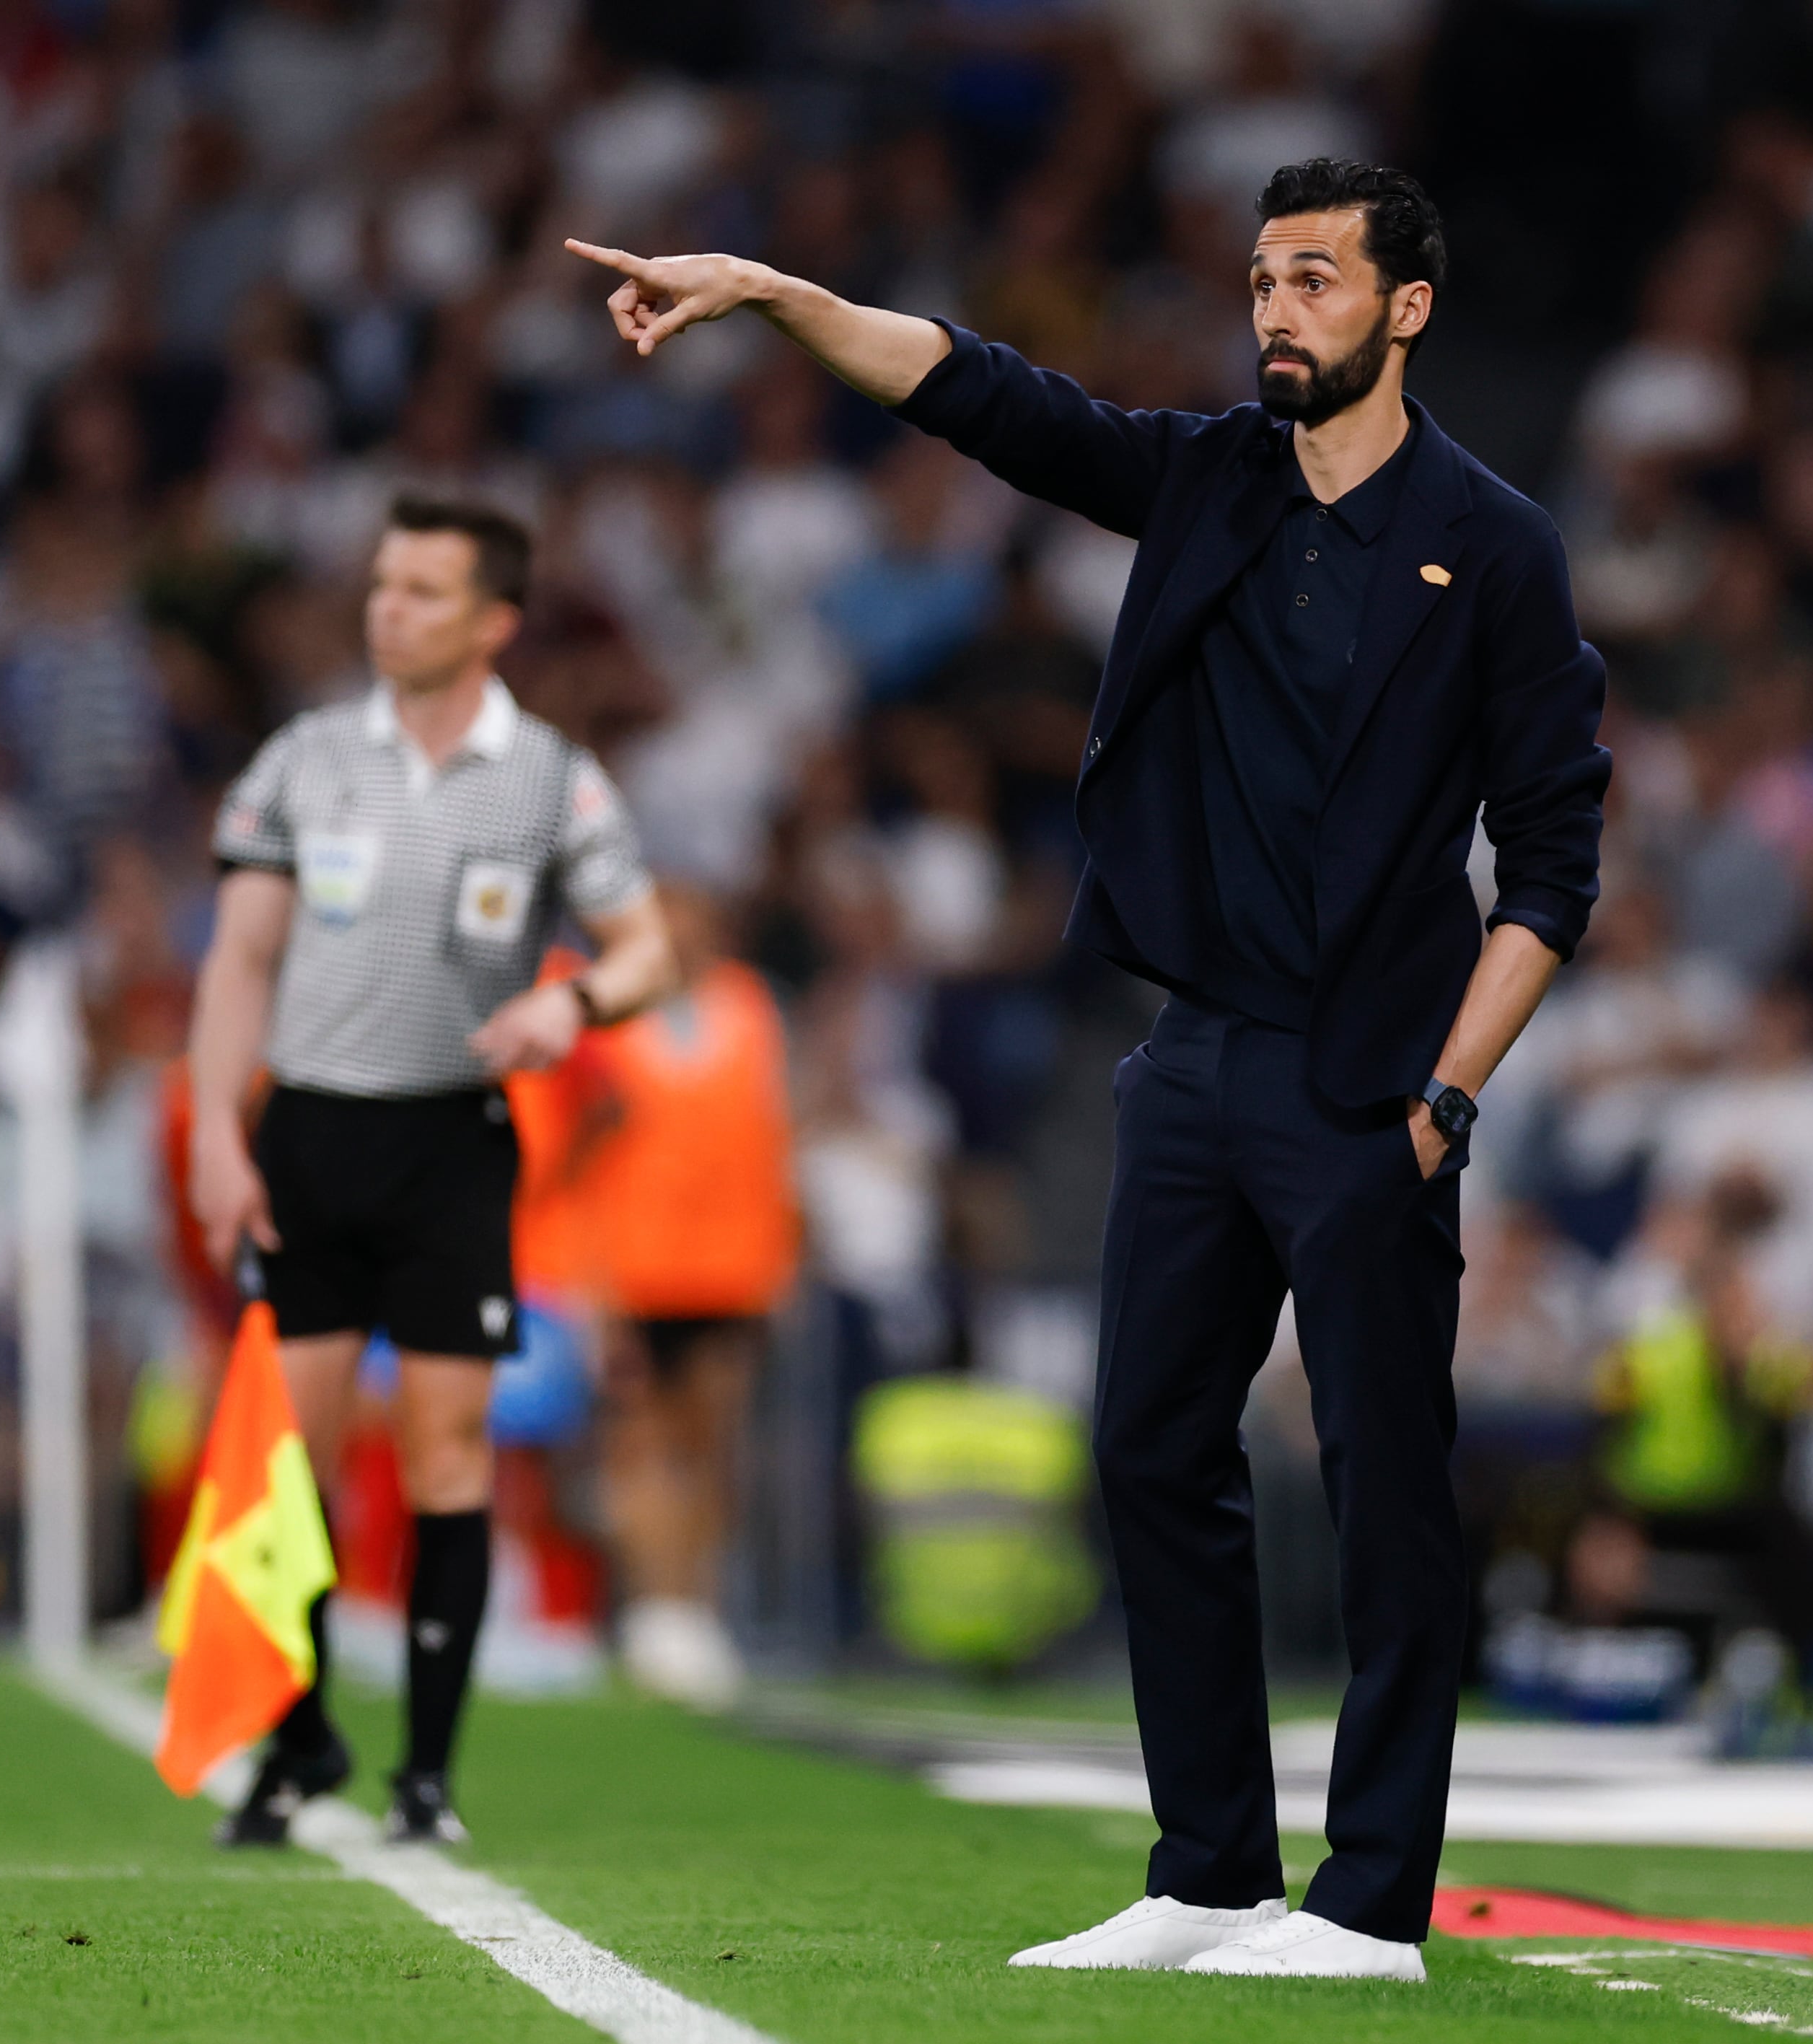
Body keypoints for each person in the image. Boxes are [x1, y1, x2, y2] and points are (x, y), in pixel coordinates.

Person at [573, 154, 1608, 1978]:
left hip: (1375, 1086)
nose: (1277, 312)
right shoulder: (1210, 475)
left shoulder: (1494, 542)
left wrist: (1449, 1097)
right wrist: (778, 291)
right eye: (1265, 281)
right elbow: (991, 398)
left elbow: (1553, 865)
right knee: (1145, 1446)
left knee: (1386, 1483)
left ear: (1406, 306)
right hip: (1194, 1057)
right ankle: (1209, 1870)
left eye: (1314, 281)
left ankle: (1370, 1901)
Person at [186, 497, 675, 1847]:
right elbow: (235, 959)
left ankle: (428, 1774)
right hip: (308, 1139)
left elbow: (647, 950)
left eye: (420, 589)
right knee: (289, 1454)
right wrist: (220, 1135)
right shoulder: (304, 758)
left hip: (449, 1143)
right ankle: (297, 1739)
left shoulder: (550, 777)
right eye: (382, 583)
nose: (385, 608)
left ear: (491, 621)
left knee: (443, 1448)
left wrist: (570, 1009)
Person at [570, 882, 799, 1706]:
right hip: (635, 1267)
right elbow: (582, 1153)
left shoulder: (749, 1008)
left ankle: (698, 1611)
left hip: (730, 1266)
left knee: (713, 1444)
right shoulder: (606, 1012)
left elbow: (773, 1131)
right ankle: (653, 1610)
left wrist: (783, 1254)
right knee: (640, 1442)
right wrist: (588, 1280)